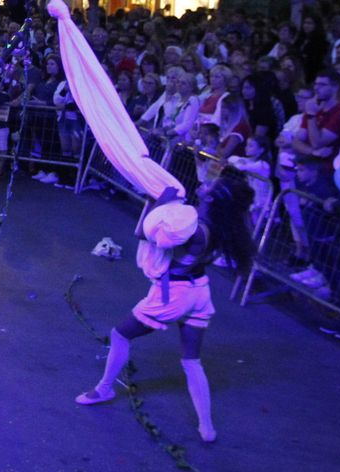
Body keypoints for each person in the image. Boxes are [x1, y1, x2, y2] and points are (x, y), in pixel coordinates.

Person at [74, 180, 256, 442]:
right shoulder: (215, 226)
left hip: (175, 295)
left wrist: (158, 205)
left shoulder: (195, 229)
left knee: (120, 335)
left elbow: (146, 235)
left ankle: (104, 389)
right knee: (191, 360)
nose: (204, 184)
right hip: (200, 292)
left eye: (212, 186)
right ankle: (206, 427)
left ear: (214, 198)